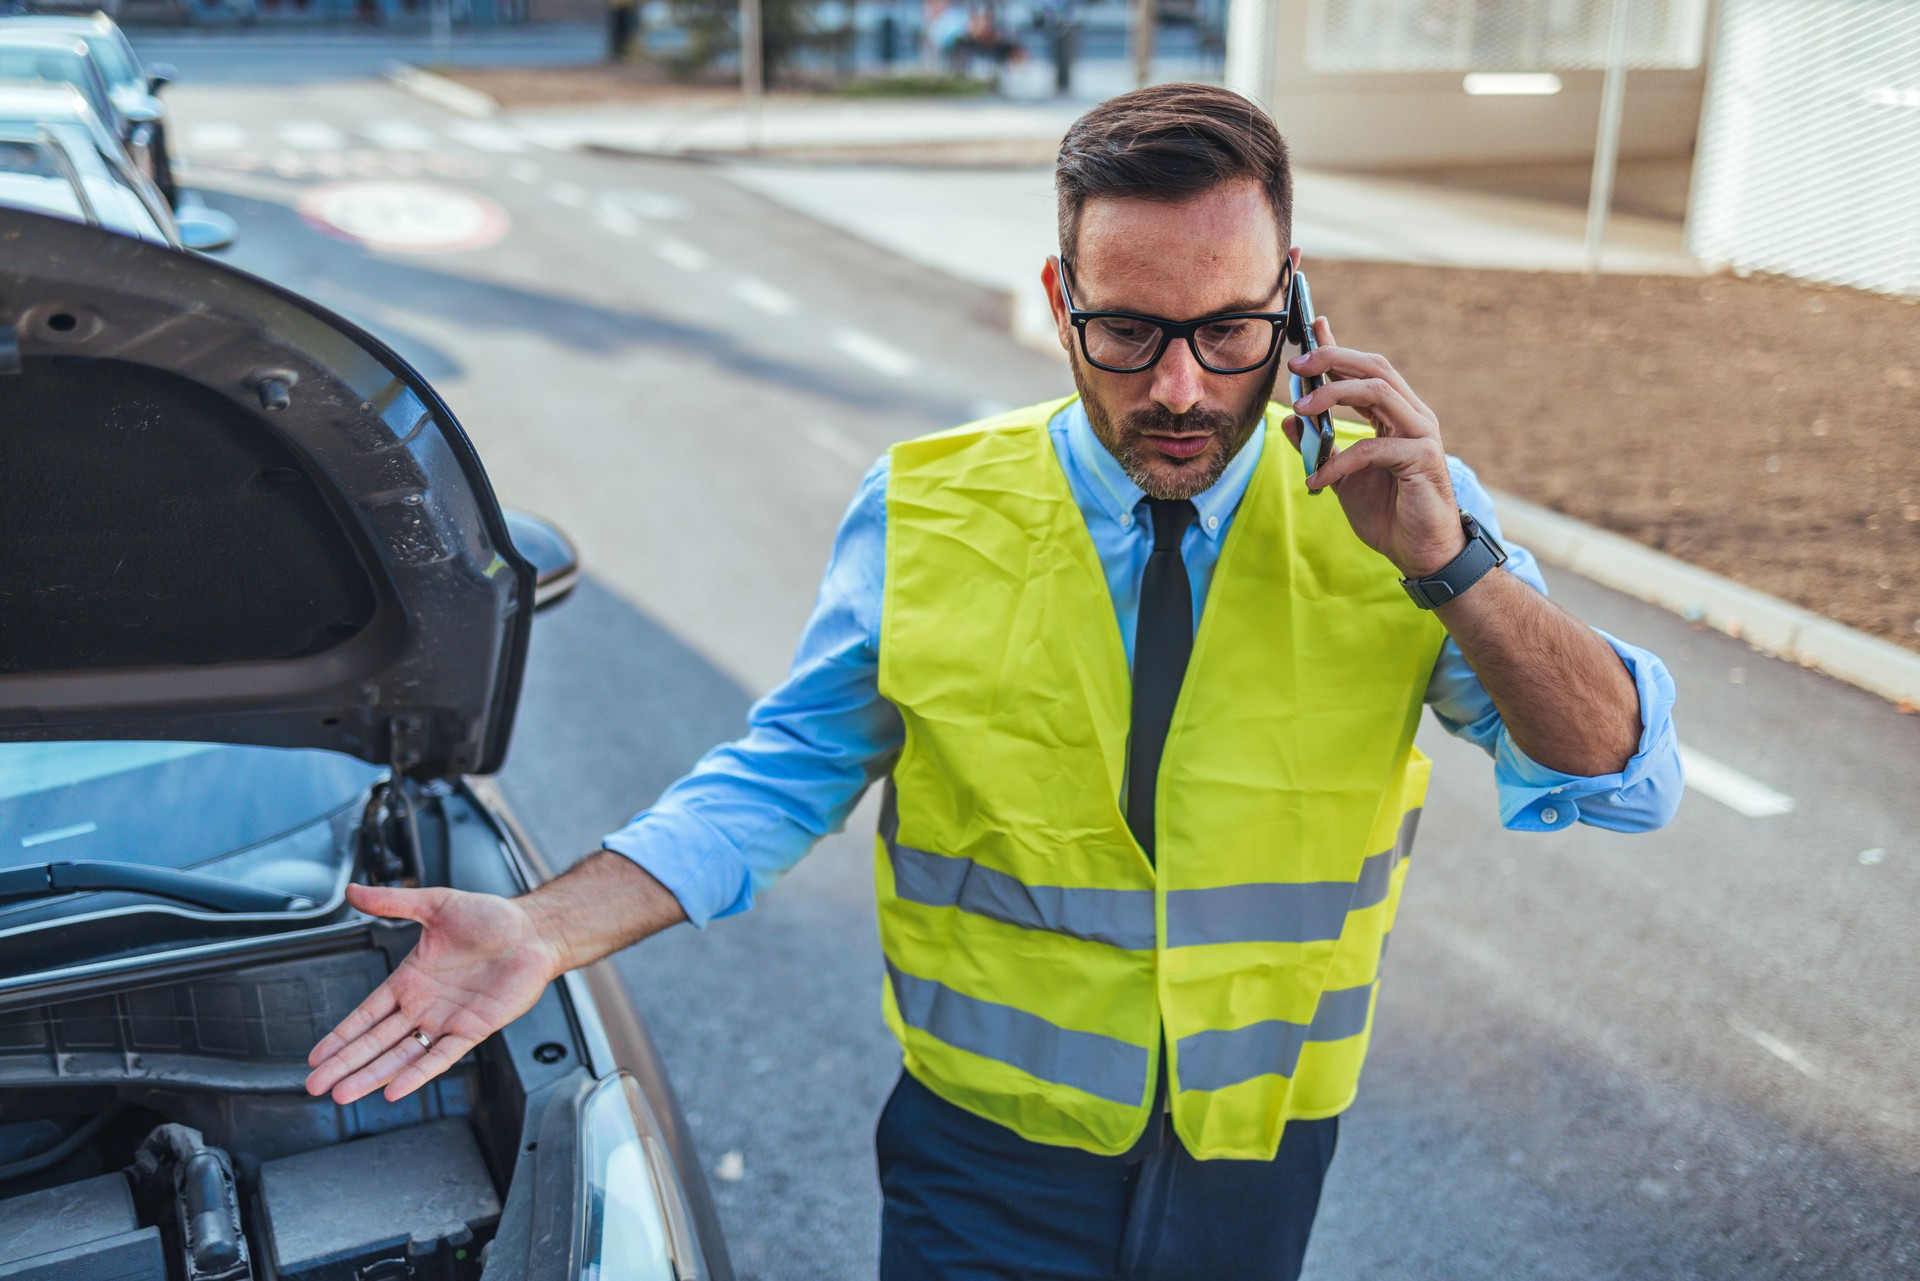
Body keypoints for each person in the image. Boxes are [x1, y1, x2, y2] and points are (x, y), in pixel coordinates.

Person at [306, 84, 1682, 1280]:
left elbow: (1623, 775)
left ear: (1297, 298)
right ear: (1056, 302)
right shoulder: (928, 509)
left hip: (1256, 1157)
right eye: (1129, 332)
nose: (1187, 388)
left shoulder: (1410, 513)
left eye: (1233, 331)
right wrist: (549, 929)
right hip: (987, 1162)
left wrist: (1454, 568)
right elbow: (791, 765)